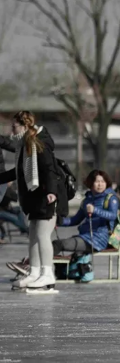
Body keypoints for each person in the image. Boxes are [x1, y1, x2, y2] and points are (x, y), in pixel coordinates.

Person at [0, 111, 63, 293]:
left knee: (43, 236)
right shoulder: (24, 145)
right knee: (33, 235)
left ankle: (47, 273)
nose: (12, 130)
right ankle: (34, 273)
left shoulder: (38, 142)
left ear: (25, 126)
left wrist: (51, 191)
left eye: (14, 126)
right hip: (34, 196)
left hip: (45, 195)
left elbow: (49, 168)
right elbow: (18, 172)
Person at [54, 170, 118, 257]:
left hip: (99, 239)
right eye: (97, 181)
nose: (100, 184)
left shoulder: (110, 198)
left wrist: (95, 210)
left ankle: (36, 266)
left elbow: (113, 216)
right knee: (56, 246)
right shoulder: (87, 200)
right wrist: (58, 221)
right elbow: (75, 220)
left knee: (58, 245)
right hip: (85, 236)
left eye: (103, 181)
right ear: (91, 183)